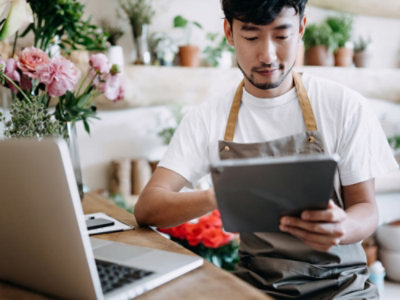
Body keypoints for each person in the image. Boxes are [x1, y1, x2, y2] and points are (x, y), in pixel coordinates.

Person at [135, 0, 398, 298]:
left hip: (341, 285)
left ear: (301, 28)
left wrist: (343, 227)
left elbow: (366, 208)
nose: (268, 55)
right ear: (229, 32)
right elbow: (147, 208)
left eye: (282, 35)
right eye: (251, 37)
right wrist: (219, 194)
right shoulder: (206, 118)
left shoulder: (344, 106)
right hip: (257, 285)